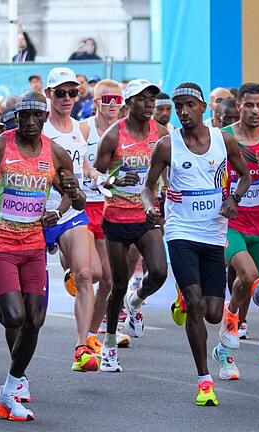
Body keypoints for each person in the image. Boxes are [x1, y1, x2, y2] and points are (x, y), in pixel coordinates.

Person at [0, 90, 83, 420]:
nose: (31, 122)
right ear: (17, 117)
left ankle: (9, 390)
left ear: (45, 119)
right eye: (25, 116)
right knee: (16, 317)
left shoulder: (56, 152)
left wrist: (61, 207)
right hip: (0, 241)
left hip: (33, 243)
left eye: (38, 116)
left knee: (35, 320)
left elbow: (73, 194)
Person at [143, 82, 250, 406]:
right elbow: (148, 188)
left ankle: (218, 349)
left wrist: (234, 198)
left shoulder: (223, 140)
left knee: (214, 313)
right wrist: (150, 207)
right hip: (180, 231)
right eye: (179, 107)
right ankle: (204, 380)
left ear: (203, 107)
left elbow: (245, 176)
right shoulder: (167, 145)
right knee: (194, 302)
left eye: (190, 105)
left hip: (214, 233)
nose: (184, 112)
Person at [93, 79, 170, 371]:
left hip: (146, 216)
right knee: (118, 282)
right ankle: (110, 344)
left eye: (152, 99)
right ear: (129, 103)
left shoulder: (161, 134)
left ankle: (135, 302)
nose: (150, 104)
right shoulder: (114, 136)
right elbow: (96, 178)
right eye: (143, 99)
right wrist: (113, 180)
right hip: (116, 219)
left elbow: (169, 170)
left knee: (160, 272)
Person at [213, 82, 259, 379]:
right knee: (249, 276)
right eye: (249, 105)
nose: (255, 111)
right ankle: (231, 323)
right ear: (238, 106)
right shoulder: (224, 137)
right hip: (230, 223)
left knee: (244, 293)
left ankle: (226, 351)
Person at [40, 67, 104, 371]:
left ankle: (81, 348)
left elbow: (84, 164)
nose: (67, 98)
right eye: (60, 93)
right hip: (37, 214)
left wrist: (95, 175)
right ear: (48, 95)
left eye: (72, 92)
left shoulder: (82, 129)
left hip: (72, 211)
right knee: (27, 302)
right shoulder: (38, 129)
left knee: (86, 274)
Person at [79, 79, 125, 352]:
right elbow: (77, 163)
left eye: (117, 99)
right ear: (96, 102)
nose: (112, 104)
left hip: (110, 206)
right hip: (83, 206)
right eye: (106, 99)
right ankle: (74, 269)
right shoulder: (83, 128)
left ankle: (91, 335)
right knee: (91, 272)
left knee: (109, 279)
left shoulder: (126, 132)